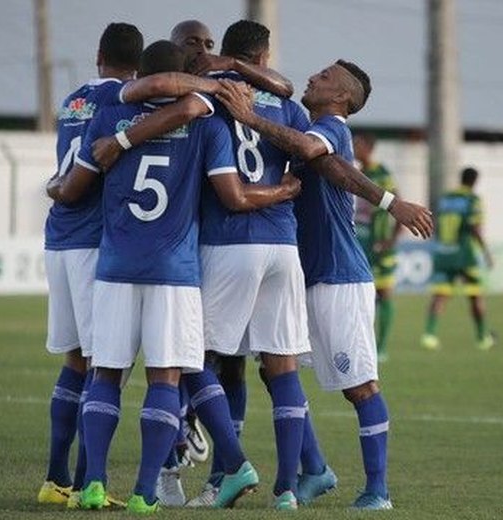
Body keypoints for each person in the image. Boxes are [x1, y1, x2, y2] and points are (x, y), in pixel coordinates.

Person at [47, 40, 300, 512]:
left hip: (116, 266)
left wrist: (56, 185)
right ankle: (146, 492)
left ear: (139, 76)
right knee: (165, 378)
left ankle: (94, 483)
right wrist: (282, 190)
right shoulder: (205, 124)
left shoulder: (108, 116)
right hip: (175, 270)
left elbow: (74, 188)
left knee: (105, 373)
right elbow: (231, 193)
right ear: (187, 74)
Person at [215, 59, 433, 510]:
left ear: (342, 98)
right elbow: (332, 170)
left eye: (326, 77)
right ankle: (314, 468)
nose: (314, 77)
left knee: (360, 387)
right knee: (275, 370)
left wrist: (248, 116)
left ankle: (378, 491)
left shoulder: (331, 128)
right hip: (302, 274)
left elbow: (322, 158)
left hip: (337, 277)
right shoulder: (309, 135)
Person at [183, 19, 321, 510]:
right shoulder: (287, 106)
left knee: (192, 358)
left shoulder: (214, 96)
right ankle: (287, 489)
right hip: (283, 245)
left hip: (228, 241)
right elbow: (307, 161)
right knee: (282, 366)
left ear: (228, 54)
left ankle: (234, 464)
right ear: (264, 57)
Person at [38, 22, 142, 510]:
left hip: (58, 237)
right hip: (95, 243)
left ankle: (55, 480)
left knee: (74, 361)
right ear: (138, 65)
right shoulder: (126, 101)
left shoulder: (73, 100)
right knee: (105, 368)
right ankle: (83, 485)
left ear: (98, 55)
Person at [421, 167, 495, 351]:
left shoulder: (446, 198)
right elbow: (474, 228)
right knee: (475, 295)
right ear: (474, 182)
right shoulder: (472, 200)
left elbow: (436, 221)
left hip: (444, 252)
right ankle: (482, 338)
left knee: (440, 295)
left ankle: (429, 335)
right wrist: (486, 252)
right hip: (464, 255)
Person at [353, 132, 402, 362]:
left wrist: (392, 240)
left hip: (380, 245)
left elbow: (400, 206)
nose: (353, 147)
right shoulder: (357, 173)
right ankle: (366, 344)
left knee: (385, 293)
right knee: (363, 297)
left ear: (368, 148)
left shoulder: (382, 174)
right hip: (361, 244)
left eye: (357, 144)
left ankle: (381, 347)